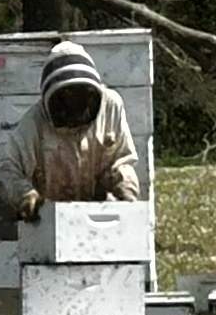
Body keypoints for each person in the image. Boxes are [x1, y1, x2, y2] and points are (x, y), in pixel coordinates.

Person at [18, 40, 141, 211]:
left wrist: (126, 191)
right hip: (49, 215)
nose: (74, 108)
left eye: (80, 98)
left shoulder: (110, 105)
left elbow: (121, 160)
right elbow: (7, 169)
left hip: (99, 209)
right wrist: (26, 195)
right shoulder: (34, 121)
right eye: (66, 100)